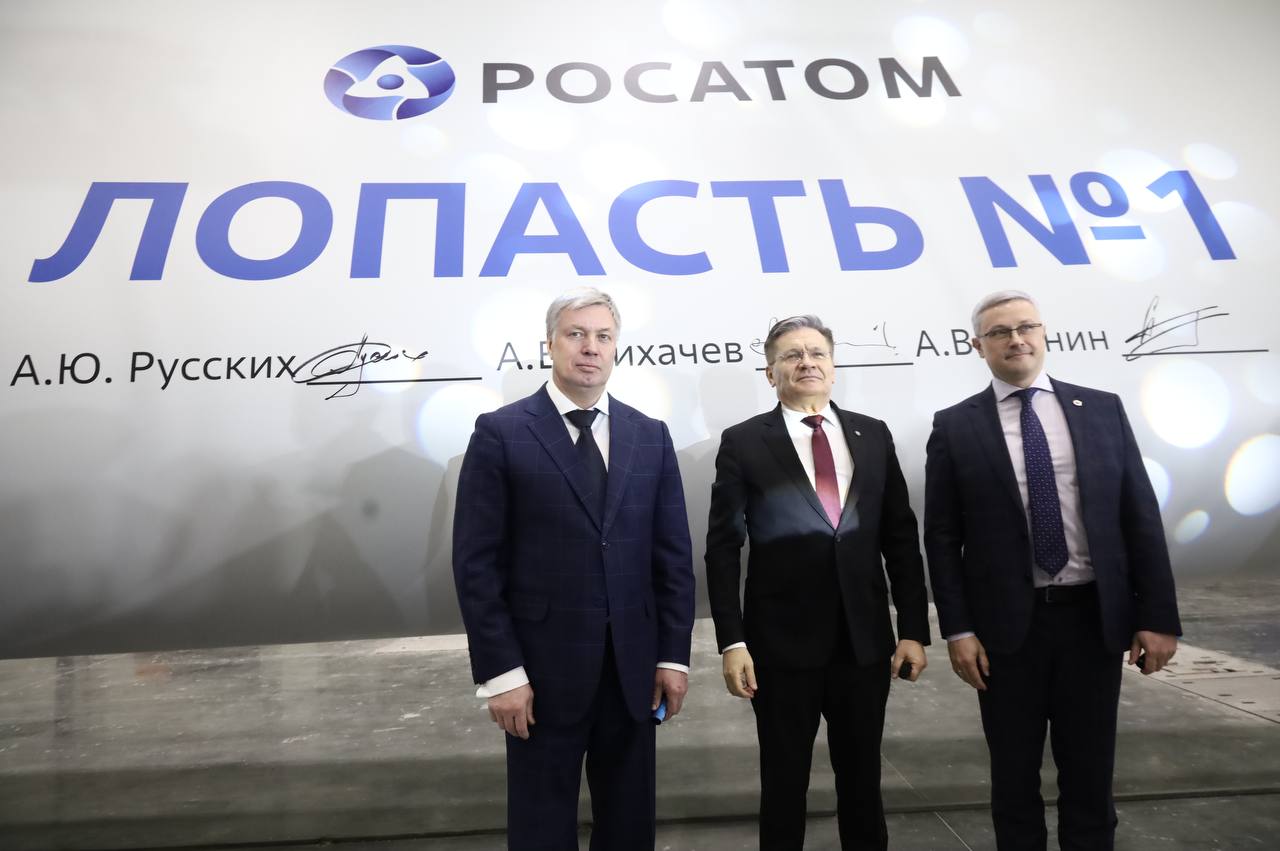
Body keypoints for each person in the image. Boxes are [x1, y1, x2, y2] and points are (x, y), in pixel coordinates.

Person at [924, 290, 1181, 851]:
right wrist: (958, 629)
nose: (1016, 339)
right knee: (1013, 777)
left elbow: (1139, 516)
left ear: (1044, 334)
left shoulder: (1102, 409)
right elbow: (942, 537)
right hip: (1005, 633)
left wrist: (1158, 616)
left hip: (1092, 622)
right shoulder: (955, 425)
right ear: (978, 346)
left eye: (1026, 327)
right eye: (1000, 332)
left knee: (1090, 774)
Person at [452, 287, 696, 851]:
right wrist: (502, 674)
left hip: (632, 673)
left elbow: (672, 559)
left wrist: (671, 657)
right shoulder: (501, 432)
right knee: (540, 830)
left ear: (616, 348)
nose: (590, 347)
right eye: (577, 334)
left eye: (603, 336)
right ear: (550, 344)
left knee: (629, 828)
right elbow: (476, 565)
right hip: (539, 675)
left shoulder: (650, 435)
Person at [705, 314, 930, 851]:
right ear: (770, 373)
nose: (806, 362)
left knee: (863, 781)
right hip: (780, 648)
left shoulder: (872, 434)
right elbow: (723, 548)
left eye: (816, 353)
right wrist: (733, 642)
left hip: (864, 644)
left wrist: (913, 629)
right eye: (792, 355)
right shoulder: (743, 442)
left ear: (833, 366)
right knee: (784, 784)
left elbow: (900, 536)